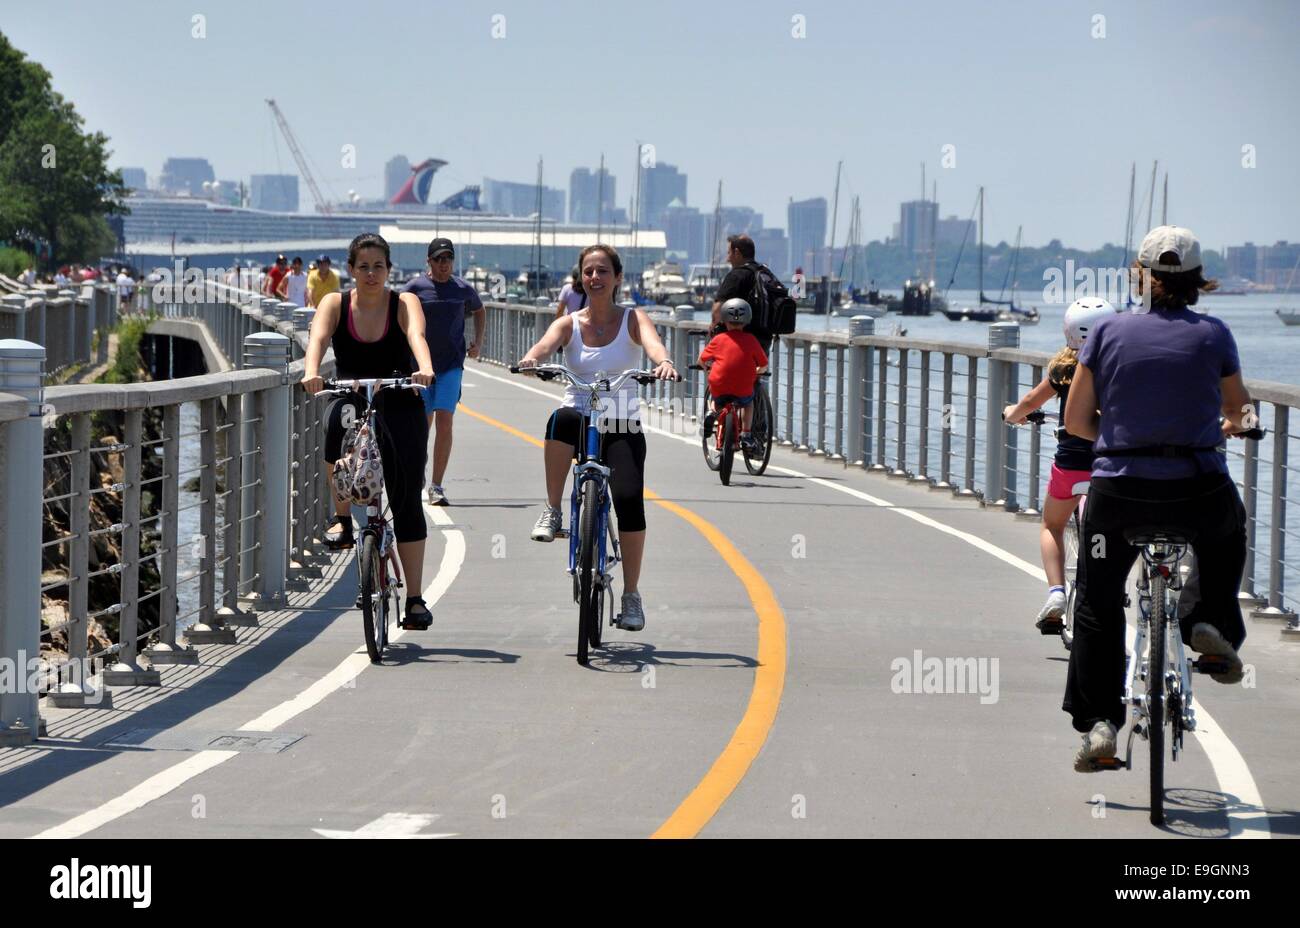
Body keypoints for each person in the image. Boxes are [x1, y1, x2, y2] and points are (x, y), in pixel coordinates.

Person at [1063, 225, 1253, 772]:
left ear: (1138, 277)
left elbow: (1077, 421)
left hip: (1119, 494)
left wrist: (1122, 436)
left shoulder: (1106, 333)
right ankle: (1206, 620)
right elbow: (1240, 413)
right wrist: (1229, 425)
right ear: (1197, 282)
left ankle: (1101, 724)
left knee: (1098, 597)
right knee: (1227, 533)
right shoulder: (1215, 335)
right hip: (1196, 489)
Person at [517, 243, 678, 632]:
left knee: (628, 500)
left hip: (621, 422)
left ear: (617, 277)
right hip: (580, 413)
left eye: (603, 271)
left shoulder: (632, 319)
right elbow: (543, 346)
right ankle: (553, 509)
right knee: (558, 420)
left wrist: (664, 363)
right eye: (589, 271)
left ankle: (631, 595)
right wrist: (532, 360)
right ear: (581, 277)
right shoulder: (570, 322)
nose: (595, 278)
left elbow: (654, 345)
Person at [300, 233, 437, 630]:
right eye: (363, 266)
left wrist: (423, 368)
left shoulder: (403, 302)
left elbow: (417, 337)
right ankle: (342, 519)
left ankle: (414, 598)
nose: (371, 274)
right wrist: (312, 372)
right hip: (351, 392)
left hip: (397, 394)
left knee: (407, 495)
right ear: (350, 270)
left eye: (379, 266)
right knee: (335, 420)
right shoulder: (335, 303)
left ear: (389, 270)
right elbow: (318, 339)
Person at [1003, 297, 1118, 631]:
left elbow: (1029, 402)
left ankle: (1056, 592)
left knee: (1052, 525)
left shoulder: (1064, 368)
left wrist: (1014, 414)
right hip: (1109, 468)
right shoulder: (1119, 365)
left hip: (1071, 469)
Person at [402, 237, 486, 507]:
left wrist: (478, 342)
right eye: (438, 259)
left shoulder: (462, 288)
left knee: (445, 423)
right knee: (420, 427)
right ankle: (417, 477)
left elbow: (480, 309)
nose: (443, 264)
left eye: (447, 258)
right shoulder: (415, 288)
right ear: (429, 261)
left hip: (451, 365)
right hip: (419, 368)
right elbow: (399, 315)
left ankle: (436, 485)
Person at [699, 297, 769, 454]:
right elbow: (763, 365)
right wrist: (757, 371)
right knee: (748, 403)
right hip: (743, 387)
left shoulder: (718, 339)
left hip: (720, 384)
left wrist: (708, 370)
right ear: (746, 321)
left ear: (724, 320)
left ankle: (711, 412)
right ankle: (746, 434)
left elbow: (701, 360)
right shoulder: (751, 340)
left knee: (716, 394)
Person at [712, 234, 774, 357]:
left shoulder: (737, 275)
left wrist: (713, 329)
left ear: (737, 253)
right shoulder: (765, 273)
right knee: (752, 375)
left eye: (728, 253)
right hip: (763, 343)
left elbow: (717, 310)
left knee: (724, 374)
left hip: (737, 344)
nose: (727, 259)